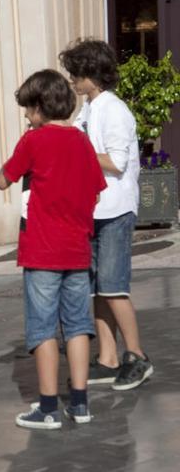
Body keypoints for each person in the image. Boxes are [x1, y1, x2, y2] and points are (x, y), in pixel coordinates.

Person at [0, 69, 107, 429]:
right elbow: (96, 188)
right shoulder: (82, 142)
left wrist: (4, 169)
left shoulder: (34, 141)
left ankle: (47, 407)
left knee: (43, 329)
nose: (27, 117)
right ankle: (79, 402)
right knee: (77, 326)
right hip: (78, 249)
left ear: (40, 107)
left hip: (42, 251)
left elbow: (3, 179)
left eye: (28, 110)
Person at [60, 39, 154, 390]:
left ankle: (137, 356)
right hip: (93, 209)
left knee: (113, 287)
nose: (71, 79)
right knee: (97, 288)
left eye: (75, 73)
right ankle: (108, 358)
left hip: (114, 209)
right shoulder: (89, 108)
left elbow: (116, 162)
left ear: (91, 75)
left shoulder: (113, 109)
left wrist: (77, 150)